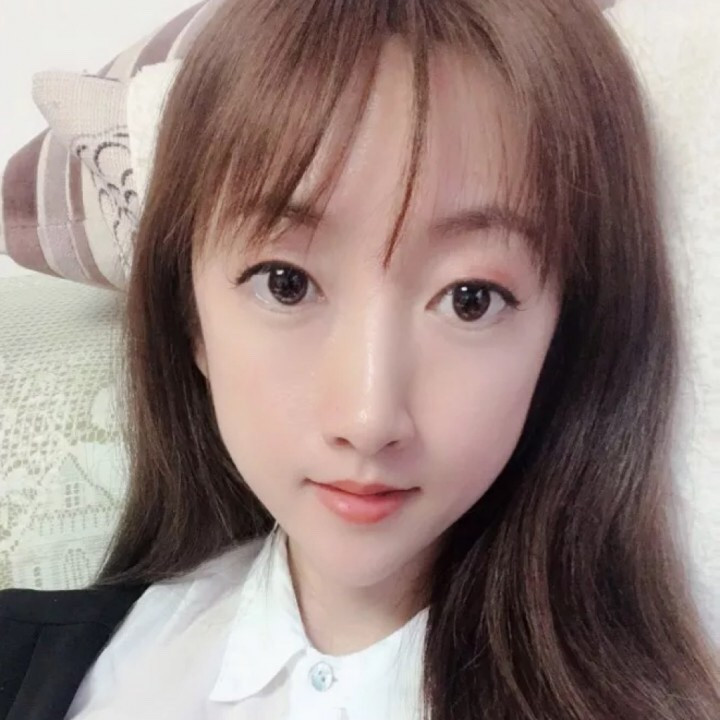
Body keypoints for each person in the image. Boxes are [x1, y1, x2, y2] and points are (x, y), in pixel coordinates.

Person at [1, 0, 719, 718]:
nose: (368, 419)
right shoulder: (34, 662)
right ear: (191, 318)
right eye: (285, 283)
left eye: (471, 299)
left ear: (566, 334)